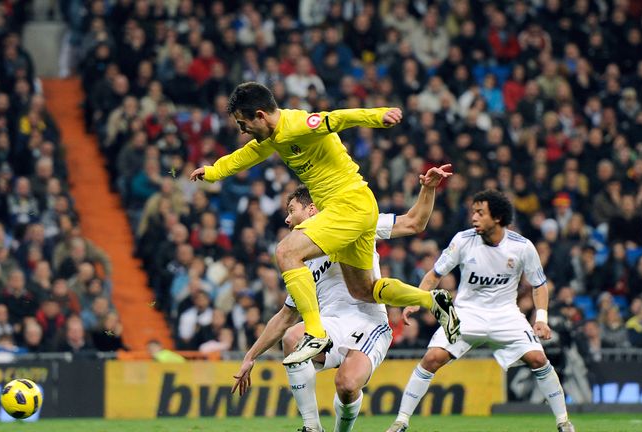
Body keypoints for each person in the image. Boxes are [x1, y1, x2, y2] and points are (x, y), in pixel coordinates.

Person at [191, 82, 459, 364]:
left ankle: (316, 333)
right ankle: (431, 300)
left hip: (348, 204)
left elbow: (336, 118)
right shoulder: (272, 138)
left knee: (286, 252)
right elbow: (246, 156)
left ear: (260, 115)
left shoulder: (297, 125)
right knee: (363, 289)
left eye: (242, 124)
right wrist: (213, 172)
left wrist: (378, 116)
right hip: (354, 209)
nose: (242, 131)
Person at [232, 165, 450, 432]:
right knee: (292, 338)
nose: (287, 220)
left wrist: (428, 188)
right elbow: (286, 316)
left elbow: (413, 222)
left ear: (312, 209)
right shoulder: (298, 259)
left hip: (369, 321)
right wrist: (250, 356)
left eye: (291, 211)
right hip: (329, 324)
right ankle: (312, 427)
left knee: (347, 386)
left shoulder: (353, 221)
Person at [387, 190, 575, 432]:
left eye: (480, 212)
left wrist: (541, 318)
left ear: (497, 217)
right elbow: (435, 274)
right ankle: (401, 422)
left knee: (538, 359)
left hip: (506, 315)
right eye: (473, 211)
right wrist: (417, 300)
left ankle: (563, 422)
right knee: (431, 358)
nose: (473, 217)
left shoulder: (522, 247)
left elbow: (539, 285)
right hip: (466, 314)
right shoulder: (463, 240)